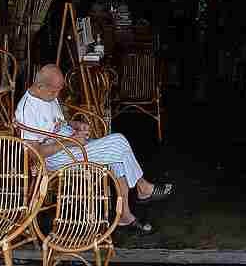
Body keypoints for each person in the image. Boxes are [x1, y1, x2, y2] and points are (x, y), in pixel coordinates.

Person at [15, 64, 173, 234]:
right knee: (118, 142)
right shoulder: (26, 110)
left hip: (70, 144)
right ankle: (143, 189)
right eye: (54, 92)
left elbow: (60, 121)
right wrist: (70, 141)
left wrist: (75, 125)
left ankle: (124, 216)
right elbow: (33, 153)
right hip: (56, 156)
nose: (56, 96)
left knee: (117, 157)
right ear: (39, 86)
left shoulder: (47, 95)